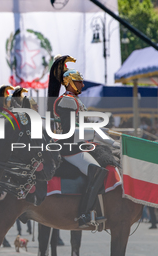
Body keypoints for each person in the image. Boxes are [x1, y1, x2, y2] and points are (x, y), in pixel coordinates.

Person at [48, 55, 116, 229]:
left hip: (79, 145)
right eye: (79, 82)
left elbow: (83, 125)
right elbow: (71, 129)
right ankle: (85, 214)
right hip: (70, 147)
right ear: (69, 82)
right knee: (97, 171)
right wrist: (97, 134)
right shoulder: (68, 101)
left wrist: (105, 135)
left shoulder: (74, 100)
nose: (82, 85)